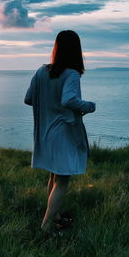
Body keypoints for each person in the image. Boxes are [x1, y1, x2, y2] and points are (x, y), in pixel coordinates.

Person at [24, 30, 96, 232]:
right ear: (76, 50)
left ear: (56, 48)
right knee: (62, 180)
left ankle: (54, 216)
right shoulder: (71, 73)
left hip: (45, 133)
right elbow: (69, 100)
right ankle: (46, 227)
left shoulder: (41, 71)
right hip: (63, 133)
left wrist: (48, 102)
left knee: (54, 177)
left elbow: (29, 99)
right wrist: (89, 105)